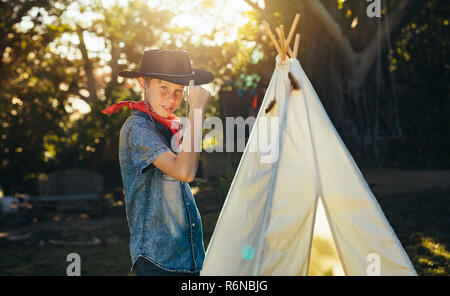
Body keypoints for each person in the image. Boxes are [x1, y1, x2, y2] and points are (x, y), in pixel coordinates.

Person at [102, 49, 213, 276]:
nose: (172, 99)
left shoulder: (167, 128)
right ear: (143, 83)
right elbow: (184, 172)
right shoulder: (138, 129)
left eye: (179, 91)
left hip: (186, 256)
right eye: (164, 87)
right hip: (159, 260)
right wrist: (197, 112)